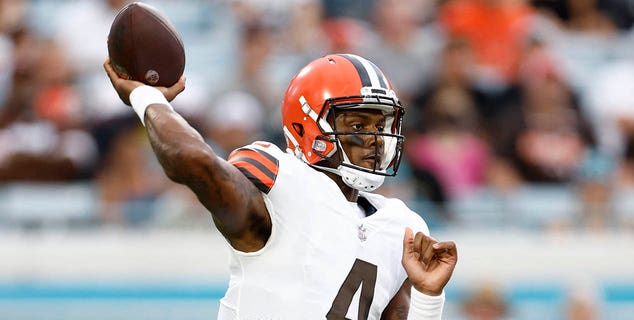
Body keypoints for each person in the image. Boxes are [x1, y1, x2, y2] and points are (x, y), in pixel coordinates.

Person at [103, 53, 457, 319]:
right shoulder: (282, 182)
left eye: (380, 125)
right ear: (305, 127)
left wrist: (429, 297)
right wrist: (146, 98)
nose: (376, 141)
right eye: (358, 125)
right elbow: (192, 161)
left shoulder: (400, 226)